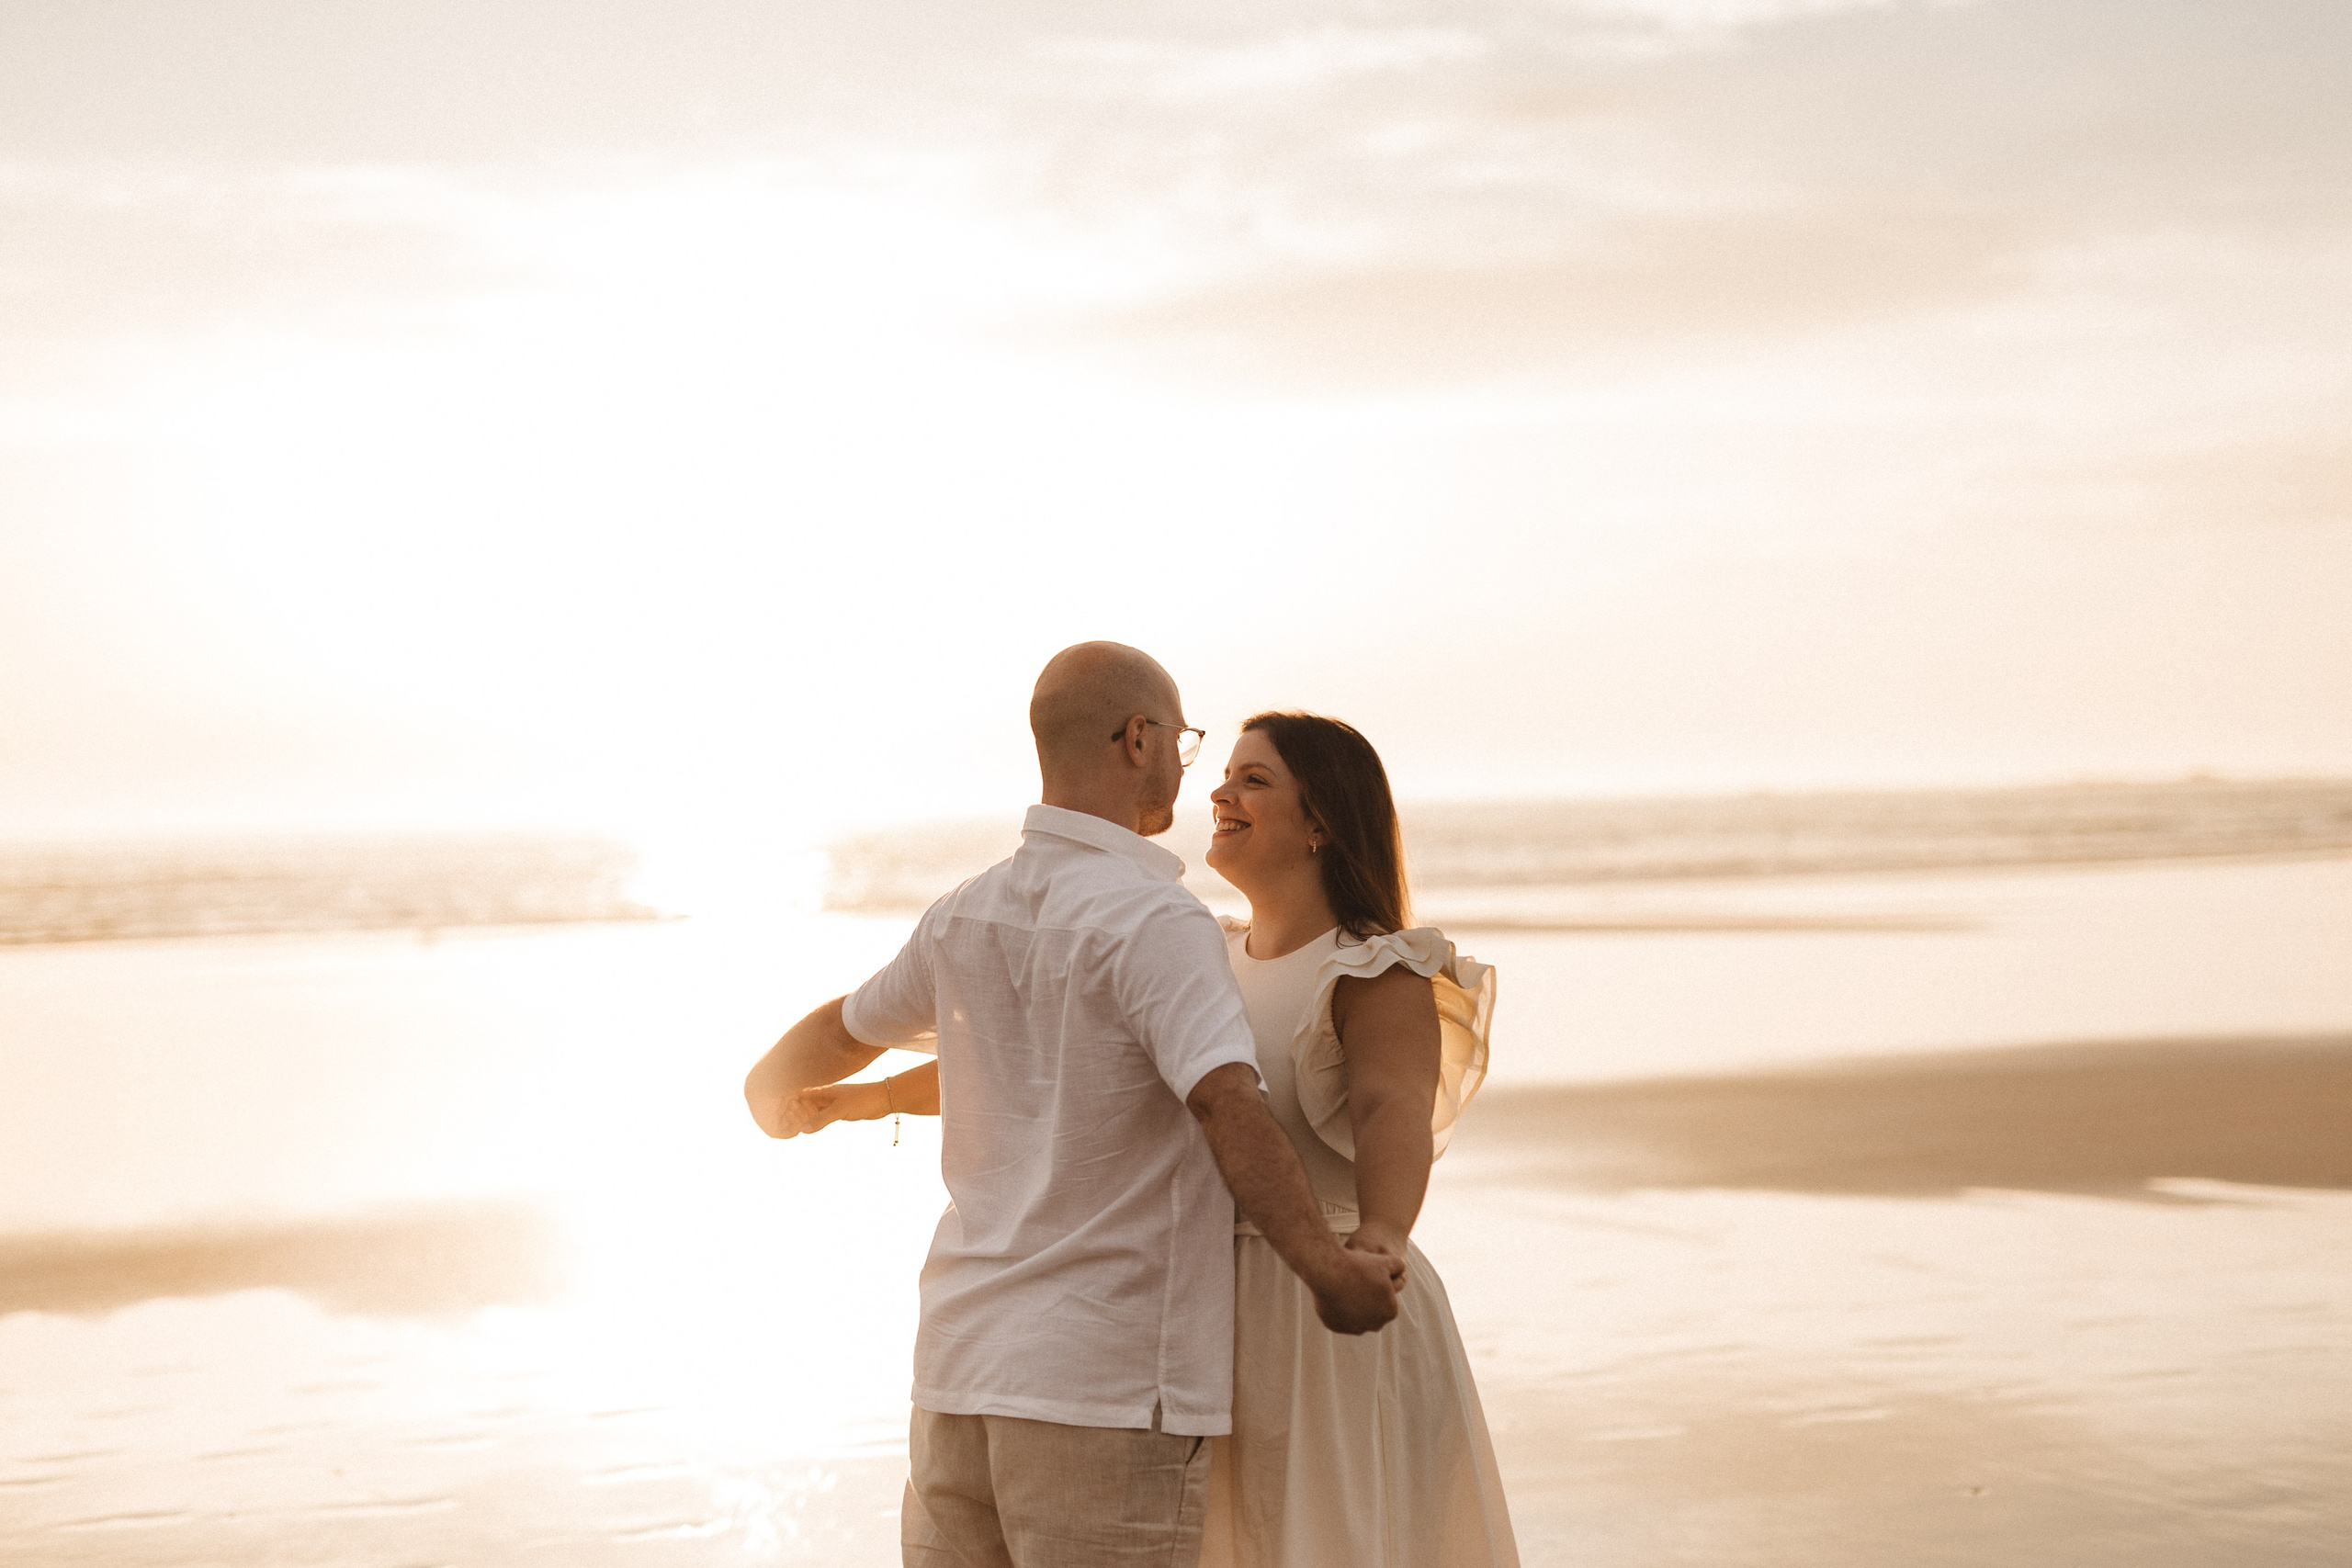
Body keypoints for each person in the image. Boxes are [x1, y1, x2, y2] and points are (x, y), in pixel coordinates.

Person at [789, 709, 1522, 1567]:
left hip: (1322, 1308)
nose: (1221, 790)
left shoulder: (1372, 964)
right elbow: (1054, 1061)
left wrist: (1381, 1238)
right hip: (1190, 1313)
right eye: (1227, 773)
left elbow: (1390, 1108)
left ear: (1321, 820)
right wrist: (874, 1097)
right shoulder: (1202, 947)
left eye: (1255, 779)